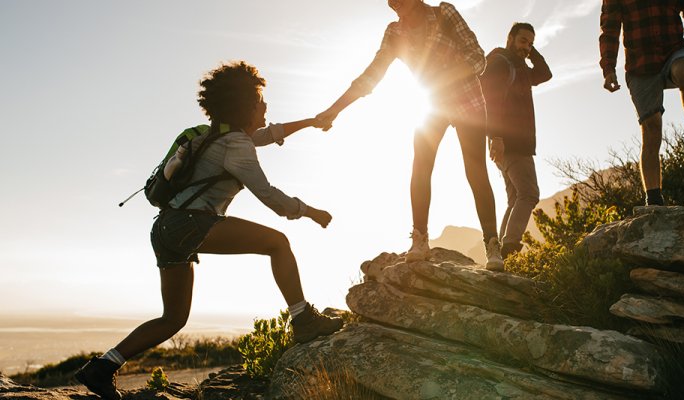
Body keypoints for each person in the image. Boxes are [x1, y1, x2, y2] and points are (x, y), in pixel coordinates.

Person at [74, 61, 343, 400]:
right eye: (261, 102)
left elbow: (266, 135)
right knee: (278, 242)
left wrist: (310, 122)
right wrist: (310, 212)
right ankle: (303, 319)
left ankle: (101, 368)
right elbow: (269, 196)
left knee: (172, 319)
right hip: (191, 224)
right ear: (245, 106)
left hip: (166, 229)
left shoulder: (211, 135)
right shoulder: (236, 145)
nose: (265, 108)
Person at [316, 0, 502, 269]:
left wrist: (445, 77)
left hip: (467, 101)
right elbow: (371, 76)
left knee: (475, 171)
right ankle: (420, 239)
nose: (393, 3)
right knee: (421, 166)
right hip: (432, 104)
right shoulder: (394, 33)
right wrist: (335, 109)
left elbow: (477, 58)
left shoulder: (443, 13)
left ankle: (492, 245)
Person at [599, 0, 684, 206]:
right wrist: (608, 68)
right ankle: (654, 199)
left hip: (673, 52)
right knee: (652, 128)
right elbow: (609, 30)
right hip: (640, 66)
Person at [482, 23, 552, 267]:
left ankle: (500, 254)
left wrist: (530, 53)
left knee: (515, 200)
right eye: (523, 41)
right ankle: (509, 248)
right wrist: (497, 137)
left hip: (512, 142)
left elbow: (545, 74)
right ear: (510, 38)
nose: (526, 47)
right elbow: (492, 101)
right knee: (530, 193)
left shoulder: (520, 67)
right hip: (510, 141)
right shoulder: (502, 62)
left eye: (530, 43)